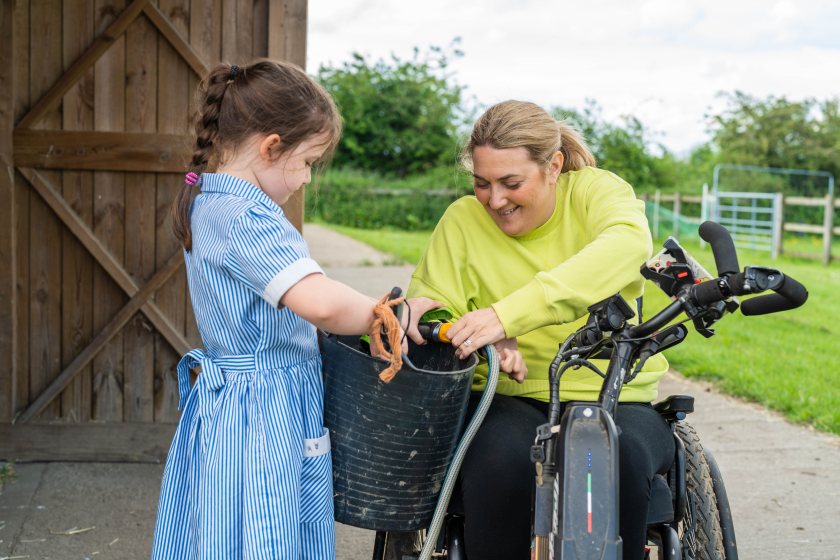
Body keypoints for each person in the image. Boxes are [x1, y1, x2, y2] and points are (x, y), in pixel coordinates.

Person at [151, 59, 438, 559]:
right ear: (271, 146)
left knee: (230, 525)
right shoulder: (245, 215)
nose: (306, 178)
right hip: (265, 409)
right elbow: (321, 303)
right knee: (267, 528)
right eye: (306, 161)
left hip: (241, 402)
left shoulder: (210, 199)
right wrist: (391, 313)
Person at [407, 100, 674, 560]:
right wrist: (482, 337)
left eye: (512, 183)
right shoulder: (462, 221)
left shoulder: (595, 193)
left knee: (620, 461)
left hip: (612, 393)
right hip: (504, 396)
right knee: (501, 464)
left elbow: (626, 246)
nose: (494, 200)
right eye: (481, 183)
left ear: (552, 167)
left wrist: (509, 314)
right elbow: (429, 312)